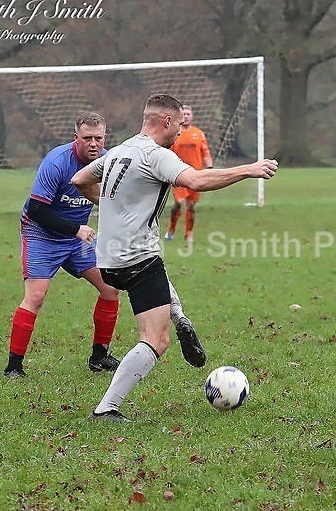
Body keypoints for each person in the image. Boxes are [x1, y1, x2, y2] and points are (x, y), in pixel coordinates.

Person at [71, 94, 278, 422]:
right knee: (155, 339)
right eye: (179, 124)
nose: (181, 131)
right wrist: (249, 170)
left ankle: (181, 316)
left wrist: (114, 207)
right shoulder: (155, 155)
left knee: (158, 272)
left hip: (107, 258)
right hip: (135, 258)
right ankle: (106, 408)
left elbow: (80, 180)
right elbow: (196, 180)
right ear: (166, 121)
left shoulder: (120, 150)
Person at [4, 112, 121, 378]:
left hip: (77, 240)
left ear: (105, 138)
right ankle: (13, 366)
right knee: (36, 296)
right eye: (87, 138)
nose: (94, 144)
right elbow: (35, 209)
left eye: (98, 138)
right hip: (41, 236)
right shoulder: (57, 162)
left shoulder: (110, 160)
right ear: (75, 139)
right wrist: (75, 228)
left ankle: (99, 356)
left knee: (110, 288)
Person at [163, 105, 213, 243]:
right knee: (179, 202)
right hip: (178, 174)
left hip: (195, 175)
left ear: (192, 116)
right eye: (183, 114)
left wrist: (209, 168)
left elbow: (205, 152)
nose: (186, 116)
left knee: (191, 205)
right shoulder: (175, 133)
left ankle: (189, 234)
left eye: (188, 114)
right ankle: (171, 230)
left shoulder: (198, 133)